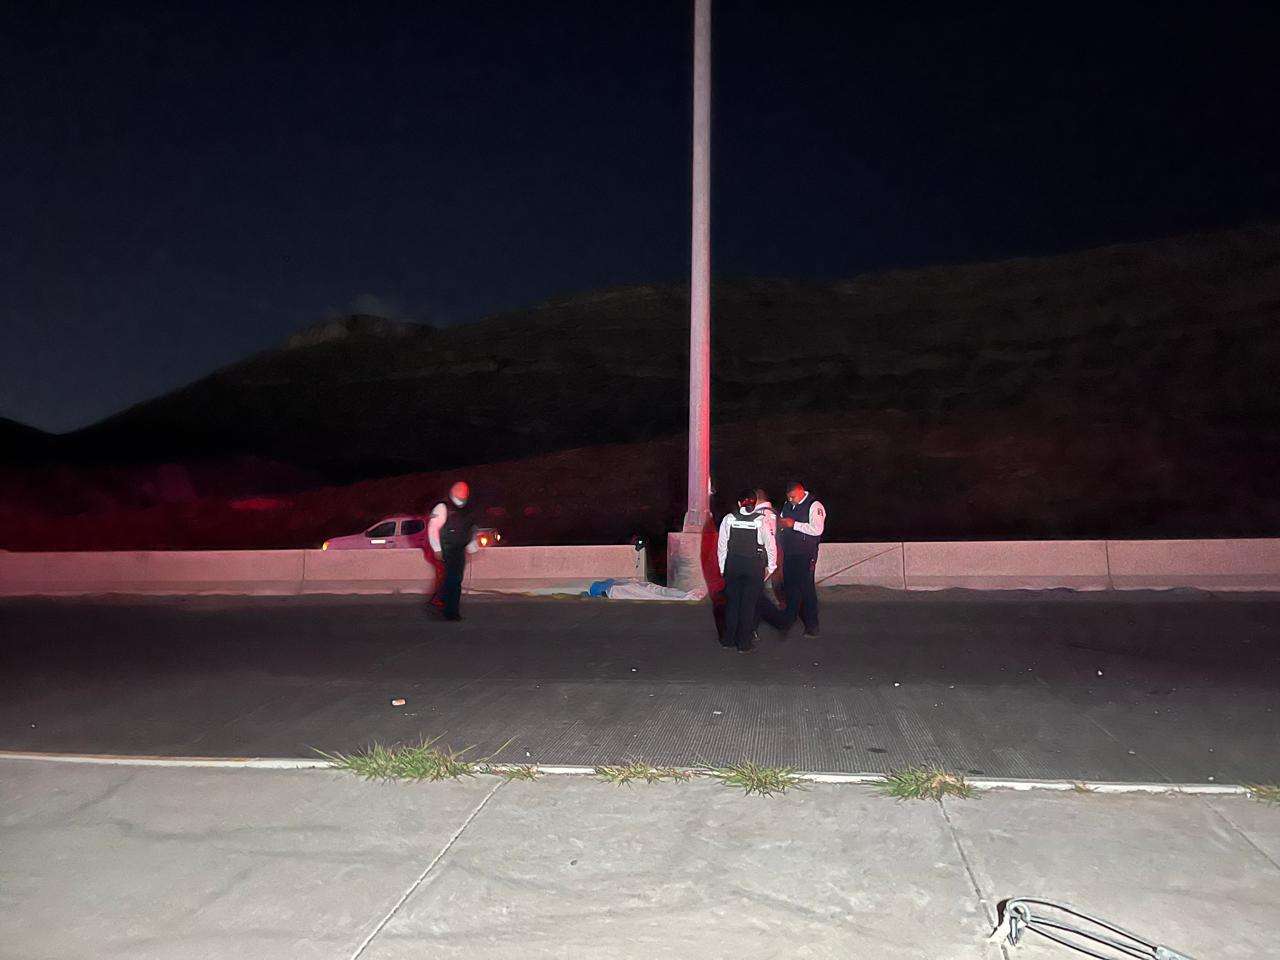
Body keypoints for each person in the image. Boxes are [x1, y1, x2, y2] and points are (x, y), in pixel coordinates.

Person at [716, 489, 777, 652]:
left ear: (738, 503)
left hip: (733, 564)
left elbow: (722, 546)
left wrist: (722, 568)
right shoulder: (761, 521)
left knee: (732, 603)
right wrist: (771, 567)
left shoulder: (728, 519)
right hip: (753, 566)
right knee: (748, 605)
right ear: (755, 504)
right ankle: (744, 644)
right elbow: (771, 546)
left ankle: (728, 640)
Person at [774, 480, 826, 637]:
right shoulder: (787, 505)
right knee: (790, 588)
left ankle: (812, 626)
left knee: (806, 589)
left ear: (801, 492)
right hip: (789, 553)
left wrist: (794, 524)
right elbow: (781, 522)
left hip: (806, 554)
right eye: (788, 497)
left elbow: (817, 530)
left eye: (793, 497)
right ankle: (788, 621)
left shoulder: (814, 505)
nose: (791, 500)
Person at [427, 481, 480, 621]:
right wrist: (437, 548)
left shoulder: (467, 509)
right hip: (447, 548)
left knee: (455, 579)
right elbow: (433, 529)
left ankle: (443, 602)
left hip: (459, 549)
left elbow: (471, 528)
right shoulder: (442, 507)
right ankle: (450, 611)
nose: (462, 498)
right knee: (453, 579)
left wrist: (471, 544)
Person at [752, 487, 782, 638]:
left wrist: (770, 565)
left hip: (760, 558)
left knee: (755, 596)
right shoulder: (772, 513)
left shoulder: (763, 515)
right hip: (767, 558)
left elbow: (767, 541)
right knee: (756, 595)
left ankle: (778, 621)